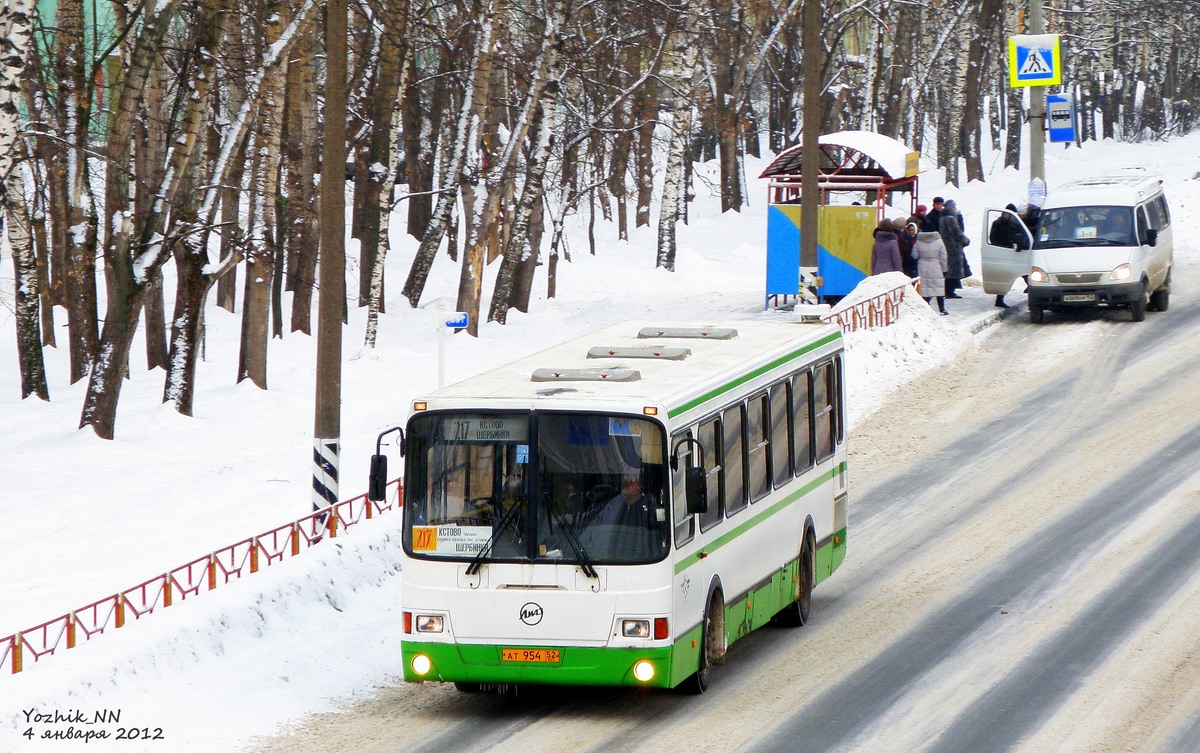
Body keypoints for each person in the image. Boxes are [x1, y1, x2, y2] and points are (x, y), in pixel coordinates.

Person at [988, 204, 1031, 308]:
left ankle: (1032, 291)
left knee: (1024, 272)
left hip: (1012, 252)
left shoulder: (1013, 224)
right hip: (1003, 253)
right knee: (1005, 277)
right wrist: (1002, 247)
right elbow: (993, 238)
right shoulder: (998, 223)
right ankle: (999, 300)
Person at [938, 199, 971, 298]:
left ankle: (949, 290)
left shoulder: (942, 218)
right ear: (951, 208)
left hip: (948, 246)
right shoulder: (950, 219)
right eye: (954, 207)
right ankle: (949, 291)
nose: (956, 209)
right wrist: (966, 241)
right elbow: (957, 232)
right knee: (953, 271)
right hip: (954, 247)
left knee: (951, 269)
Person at [912, 230, 949, 315]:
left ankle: (926, 306)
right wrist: (944, 269)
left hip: (922, 265)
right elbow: (943, 257)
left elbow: (914, 255)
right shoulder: (939, 242)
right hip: (936, 265)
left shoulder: (919, 241)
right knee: (938, 286)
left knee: (925, 287)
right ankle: (942, 308)